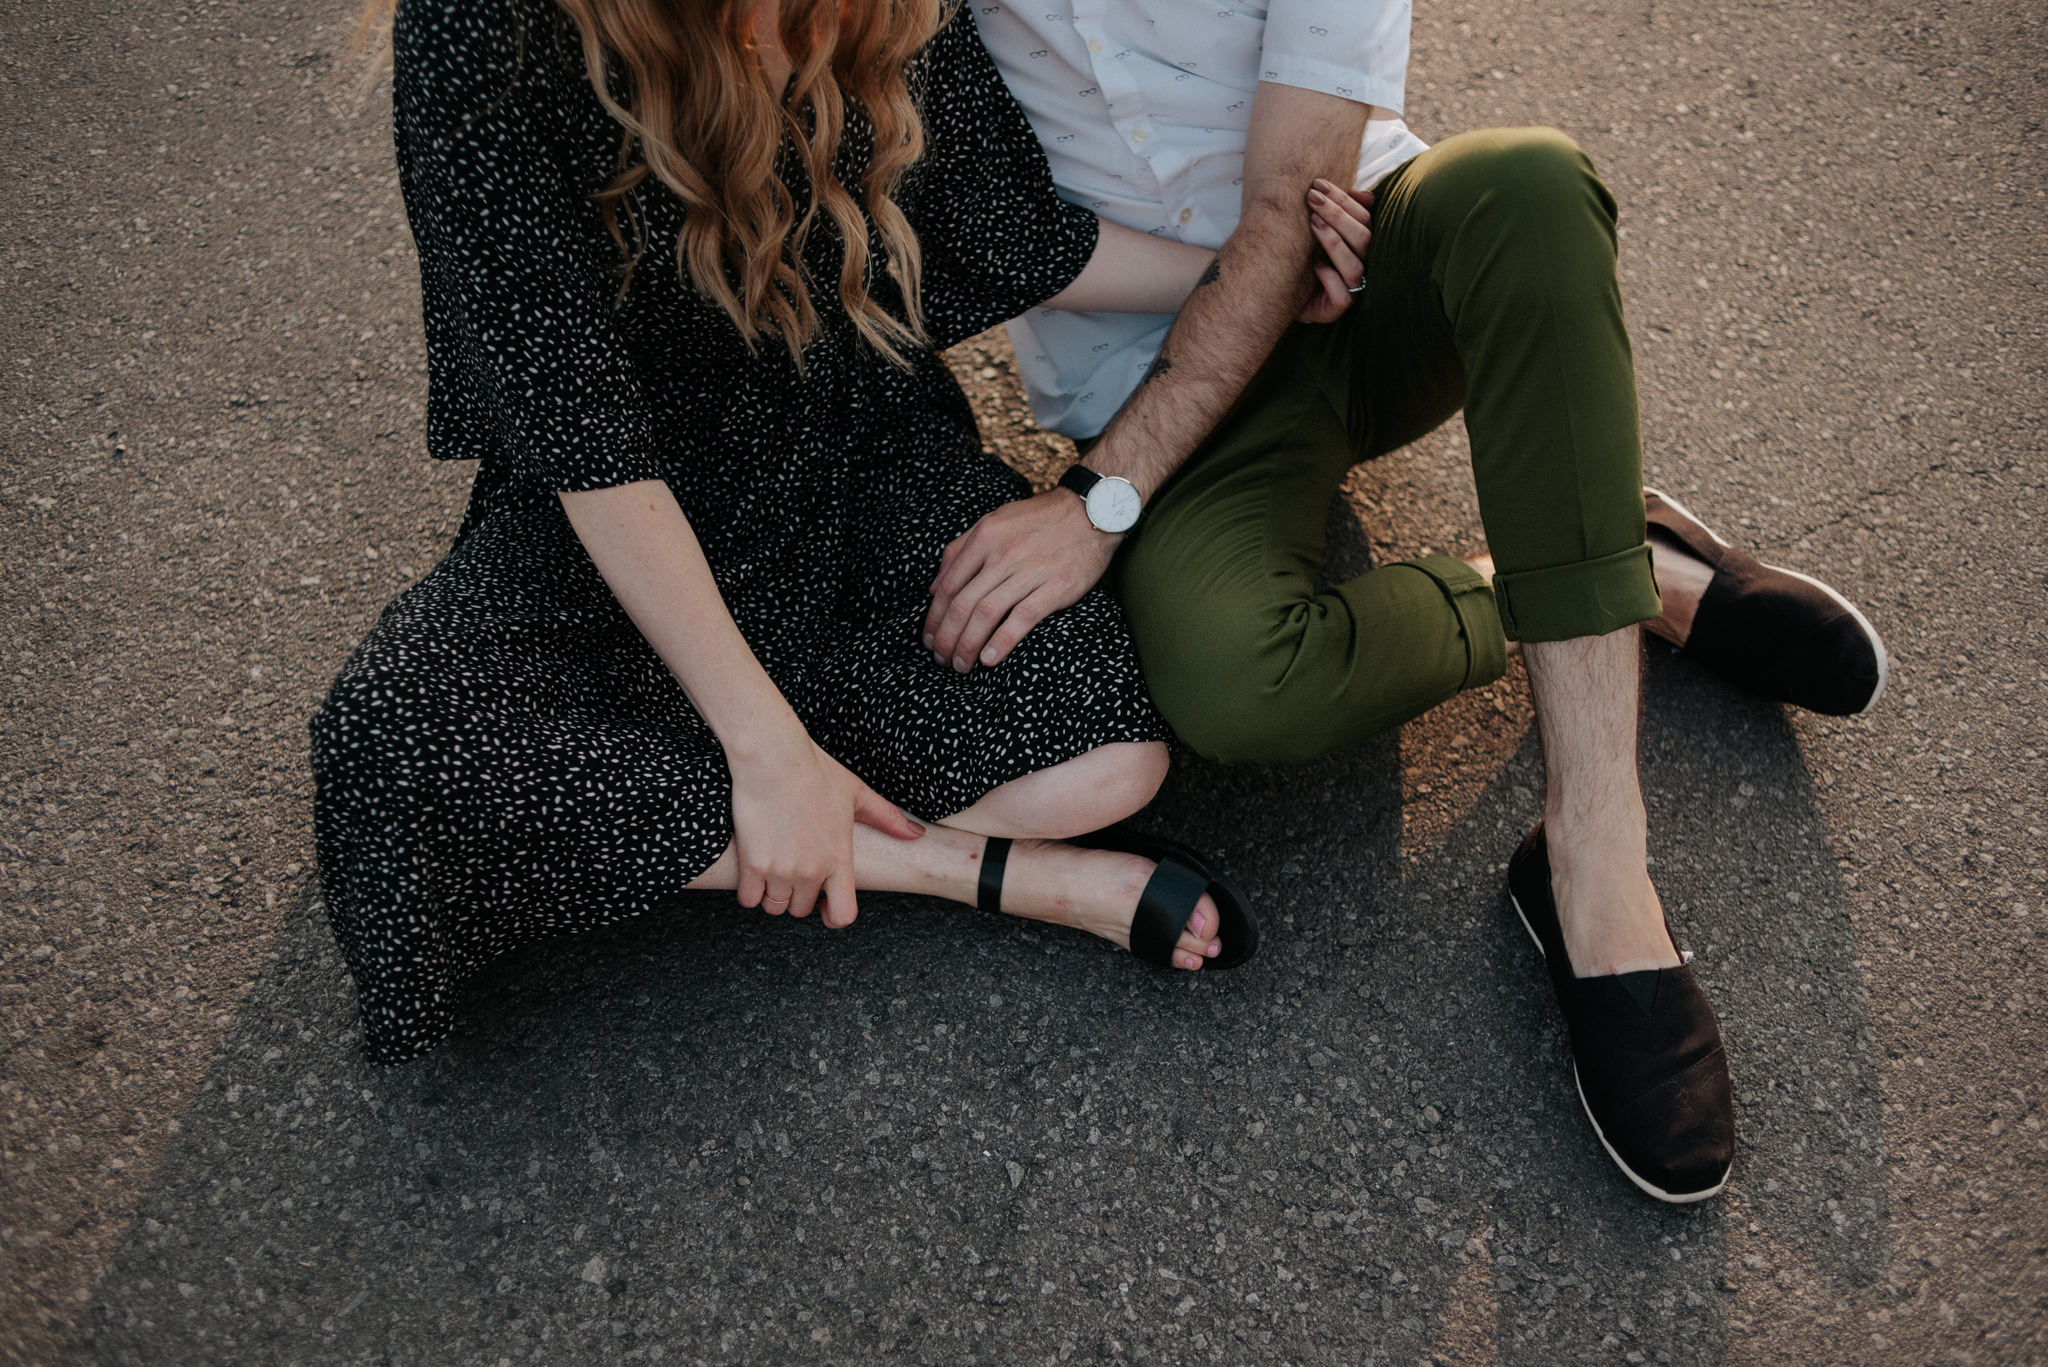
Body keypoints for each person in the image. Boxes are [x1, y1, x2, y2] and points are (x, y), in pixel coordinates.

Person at [925, 0, 1887, 1203]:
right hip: (1153, 386)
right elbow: (928, 201)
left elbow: (1293, 214)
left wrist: (1093, 509)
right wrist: (1102, 482)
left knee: (1528, 187)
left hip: (1363, 276)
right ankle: (1606, 561)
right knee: (1233, 681)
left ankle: (1594, 863)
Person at [312, 0, 1373, 1065]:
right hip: (621, 497)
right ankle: (970, 870)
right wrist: (765, 749)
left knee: (1107, 766)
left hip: (857, 433)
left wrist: (1248, 285)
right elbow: (580, 433)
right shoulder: (478, 24)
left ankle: (704, 811)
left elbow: (995, 225)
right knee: (394, 740)